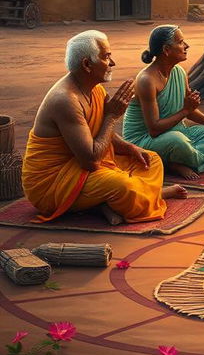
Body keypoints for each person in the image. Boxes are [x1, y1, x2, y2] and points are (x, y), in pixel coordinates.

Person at [22, 30, 185, 226]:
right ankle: (150, 195)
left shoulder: (95, 88)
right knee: (123, 185)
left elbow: (104, 135)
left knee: (151, 160)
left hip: (84, 168)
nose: (113, 63)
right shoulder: (65, 100)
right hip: (53, 184)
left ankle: (105, 204)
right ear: (86, 64)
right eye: (107, 57)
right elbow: (90, 160)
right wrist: (112, 116)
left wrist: (131, 148)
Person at [123, 25, 204, 181]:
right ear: (166, 50)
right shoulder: (147, 80)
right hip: (144, 139)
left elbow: (189, 109)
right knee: (178, 141)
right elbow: (154, 129)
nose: (186, 46)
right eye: (180, 42)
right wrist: (185, 111)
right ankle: (174, 163)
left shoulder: (179, 72)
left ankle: (175, 159)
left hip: (176, 131)